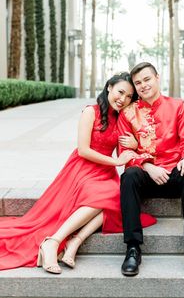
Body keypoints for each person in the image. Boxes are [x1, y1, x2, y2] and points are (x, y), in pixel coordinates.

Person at [0, 72, 156, 273]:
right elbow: (83, 150)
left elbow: (126, 152)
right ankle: (53, 241)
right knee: (108, 196)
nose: (123, 99)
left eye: (128, 97)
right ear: (109, 87)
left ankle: (74, 243)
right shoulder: (90, 112)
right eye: (120, 92)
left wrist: (134, 144)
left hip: (105, 173)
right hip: (82, 168)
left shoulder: (121, 119)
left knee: (116, 195)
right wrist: (115, 161)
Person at [117, 62, 184, 277]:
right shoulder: (128, 113)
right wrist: (148, 166)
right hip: (145, 176)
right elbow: (124, 154)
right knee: (128, 176)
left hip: (174, 171)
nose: (143, 85)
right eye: (138, 83)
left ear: (157, 77)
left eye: (147, 79)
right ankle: (132, 248)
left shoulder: (178, 106)